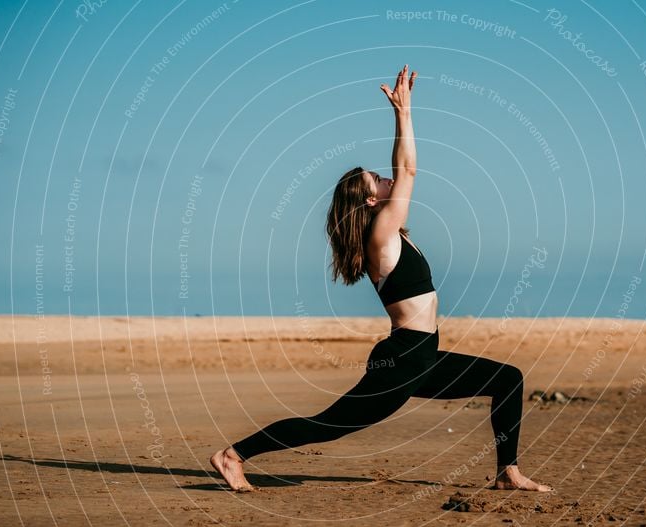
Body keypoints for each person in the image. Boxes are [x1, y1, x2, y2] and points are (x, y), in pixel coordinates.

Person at [211, 64, 552, 493]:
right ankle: (233, 455)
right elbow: (408, 170)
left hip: (422, 356)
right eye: (377, 178)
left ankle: (508, 472)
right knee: (329, 425)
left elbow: (404, 173)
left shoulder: (393, 235)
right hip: (403, 360)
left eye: (381, 172)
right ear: (371, 200)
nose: (387, 176)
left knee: (506, 378)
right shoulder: (381, 234)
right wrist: (403, 112)